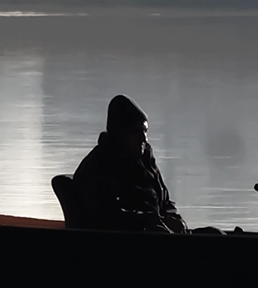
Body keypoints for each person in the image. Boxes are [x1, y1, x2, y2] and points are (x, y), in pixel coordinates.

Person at [67, 95, 188, 234]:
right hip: (128, 237)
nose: (144, 138)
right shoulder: (98, 166)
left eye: (145, 131)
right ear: (120, 134)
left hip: (159, 230)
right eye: (137, 132)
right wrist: (151, 222)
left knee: (212, 233)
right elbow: (107, 217)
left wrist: (175, 219)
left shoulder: (146, 160)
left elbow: (165, 201)